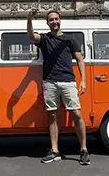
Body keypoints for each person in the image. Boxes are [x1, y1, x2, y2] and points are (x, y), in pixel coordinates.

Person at [27, 9, 90, 166]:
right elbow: (30, 35)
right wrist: (29, 19)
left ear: (60, 20)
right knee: (53, 115)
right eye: (51, 20)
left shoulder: (70, 39)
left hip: (68, 80)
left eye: (56, 19)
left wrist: (83, 81)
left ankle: (83, 149)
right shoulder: (45, 39)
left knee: (76, 113)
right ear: (47, 23)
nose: (54, 21)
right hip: (50, 81)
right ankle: (55, 150)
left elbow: (80, 60)